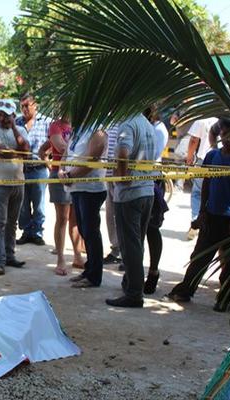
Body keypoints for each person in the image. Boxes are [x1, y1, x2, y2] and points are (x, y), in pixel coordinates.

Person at [167, 120, 230, 311]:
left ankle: (225, 298)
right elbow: (206, 183)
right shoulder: (212, 156)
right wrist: (203, 210)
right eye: (224, 134)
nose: (227, 138)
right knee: (200, 256)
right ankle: (185, 290)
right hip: (211, 215)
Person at [105, 113, 157, 308]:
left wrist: (123, 176)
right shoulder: (147, 125)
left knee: (129, 246)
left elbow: (123, 154)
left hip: (130, 193)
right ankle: (131, 283)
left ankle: (134, 293)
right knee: (137, 242)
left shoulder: (127, 124)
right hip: (147, 190)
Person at [59, 126, 107, 287]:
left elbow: (92, 161)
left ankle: (94, 276)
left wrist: (70, 175)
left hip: (91, 189)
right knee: (83, 230)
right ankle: (89, 269)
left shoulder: (97, 130)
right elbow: (67, 152)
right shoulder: (77, 129)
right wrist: (61, 170)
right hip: (76, 188)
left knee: (91, 232)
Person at [0, 101, 30, 276]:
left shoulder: (20, 130)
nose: (3, 118)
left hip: (18, 182)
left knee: (12, 223)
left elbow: (26, 148)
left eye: (8, 115)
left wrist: (14, 128)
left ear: (13, 116)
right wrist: (19, 153)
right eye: (1, 114)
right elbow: (0, 151)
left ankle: (10, 255)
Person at [38, 116, 86, 275]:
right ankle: (60, 259)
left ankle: (78, 256)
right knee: (62, 218)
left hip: (76, 174)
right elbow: (60, 147)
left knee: (75, 218)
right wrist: (50, 165)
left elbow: (47, 148)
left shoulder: (79, 124)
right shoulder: (55, 126)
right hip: (60, 175)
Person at [16, 93, 51, 246]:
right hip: (21, 169)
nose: (24, 109)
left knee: (39, 205)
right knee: (22, 204)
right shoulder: (16, 122)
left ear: (35, 105)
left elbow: (55, 140)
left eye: (27, 105)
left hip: (39, 168)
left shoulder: (47, 122)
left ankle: (37, 232)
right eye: (22, 106)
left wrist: (47, 156)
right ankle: (26, 231)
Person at [143, 105, 170, 294]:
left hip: (151, 182)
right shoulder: (145, 127)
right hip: (139, 181)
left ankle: (153, 270)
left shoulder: (158, 129)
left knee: (152, 229)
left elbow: (150, 157)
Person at [186, 117, 218, 240]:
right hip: (220, 159)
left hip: (203, 159)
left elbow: (194, 140)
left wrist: (189, 157)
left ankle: (196, 220)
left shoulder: (202, 120)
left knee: (197, 192)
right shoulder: (223, 118)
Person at [103, 124, 123, 266]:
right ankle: (115, 249)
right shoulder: (109, 122)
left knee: (121, 217)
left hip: (120, 178)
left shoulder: (125, 123)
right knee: (110, 215)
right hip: (107, 176)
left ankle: (124, 252)